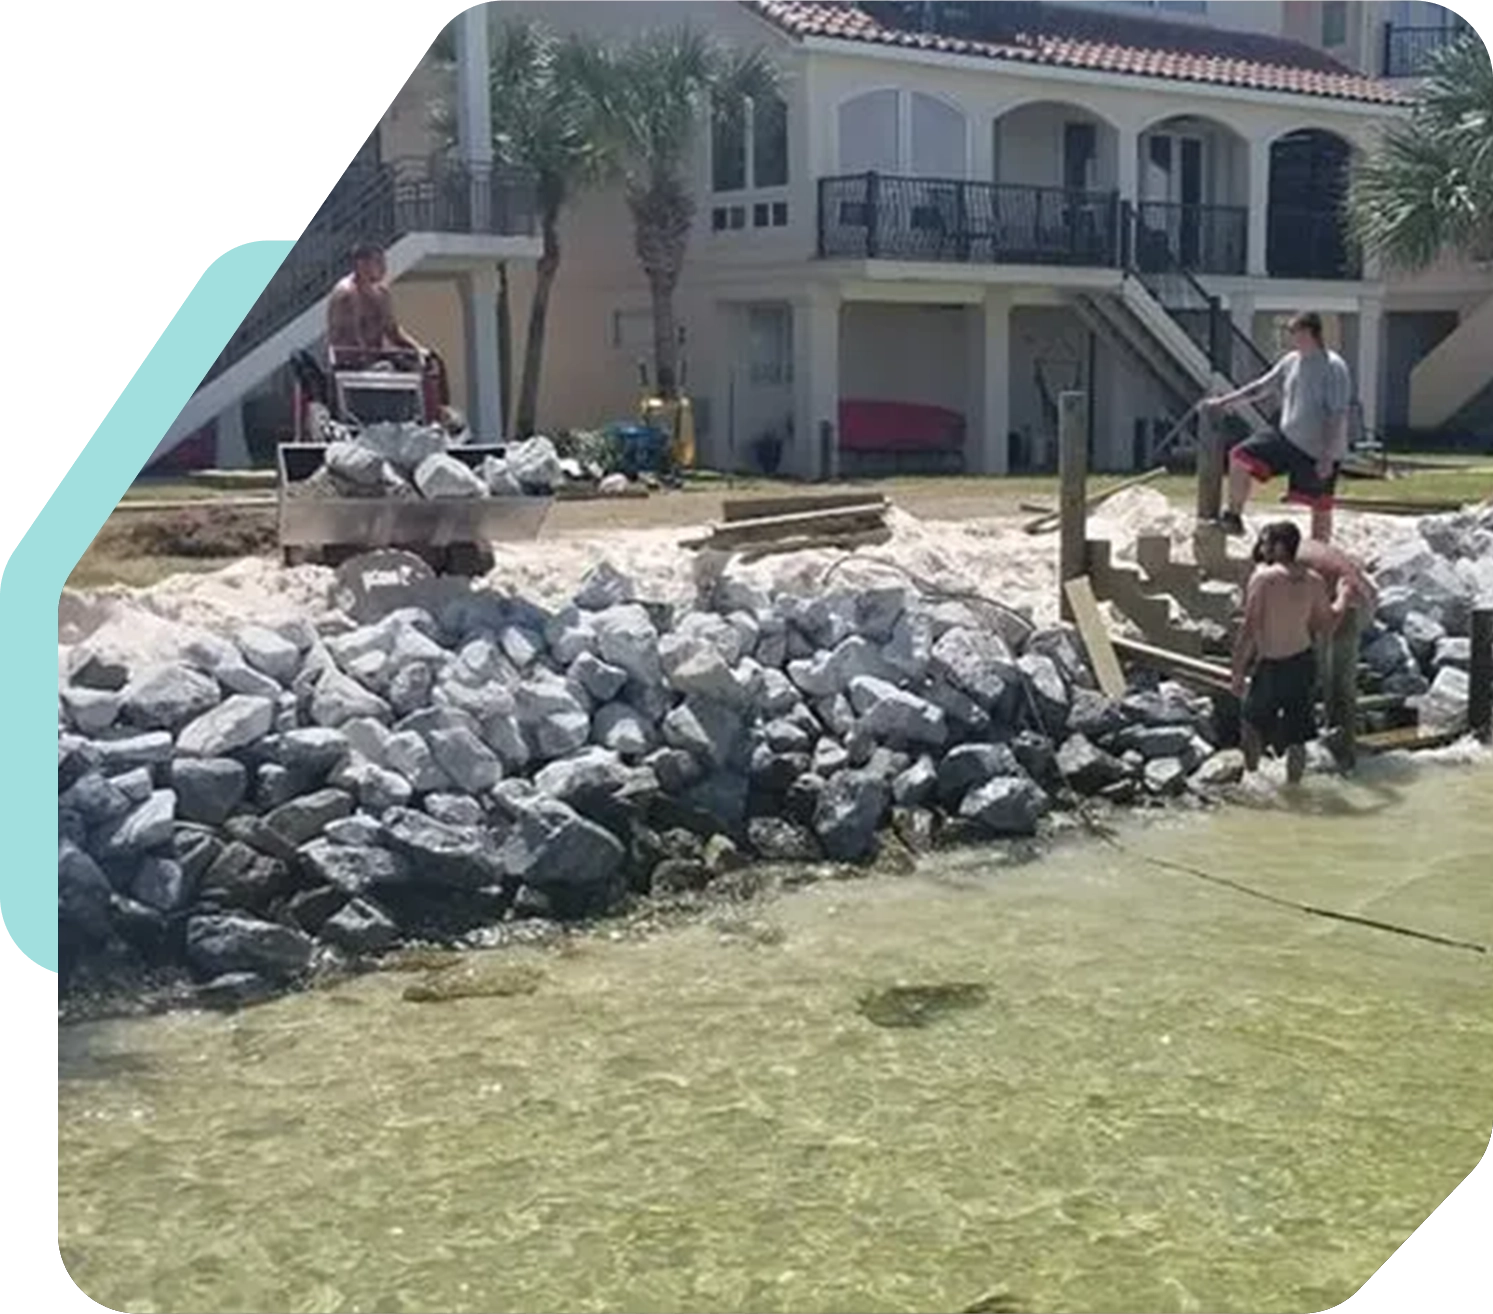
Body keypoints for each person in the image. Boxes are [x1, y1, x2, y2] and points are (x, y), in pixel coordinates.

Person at [1201, 311, 1353, 544]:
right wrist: (1225, 402)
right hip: (1287, 437)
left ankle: (1320, 553)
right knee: (1240, 456)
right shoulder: (1291, 361)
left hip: (1318, 448)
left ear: (1310, 333)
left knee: (1320, 505)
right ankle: (1234, 516)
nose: (1291, 338)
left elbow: (1337, 414)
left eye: (1294, 332)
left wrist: (1326, 456)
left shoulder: (1333, 366)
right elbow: (1260, 388)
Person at [1232, 520, 1353, 785]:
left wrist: (1238, 672)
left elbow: (1249, 629)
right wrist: (1342, 596)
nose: (1262, 548)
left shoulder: (1263, 579)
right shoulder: (1314, 581)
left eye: (1266, 542)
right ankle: (1294, 788)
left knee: (1251, 724)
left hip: (1271, 664)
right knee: (1297, 735)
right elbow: (1328, 623)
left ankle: (1251, 780)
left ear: (1279, 546)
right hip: (1302, 663)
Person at [1251, 531, 1377, 772]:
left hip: (1343, 605)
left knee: (1309, 679)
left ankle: (1309, 755)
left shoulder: (1284, 565)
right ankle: (1344, 757)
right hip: (1361, 600)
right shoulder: (1303, 549)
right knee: (1340, 686)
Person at [325, 243, 451, 410]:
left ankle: (438, 412)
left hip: (377, 358)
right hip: (352, 363)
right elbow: (351, 340)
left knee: (433, 363)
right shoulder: (347, 294)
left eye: (384, 262)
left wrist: (418, 350)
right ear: (361, 264)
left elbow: (392, 331)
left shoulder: (381, 293)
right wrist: (381, 360)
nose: (384, 268)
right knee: (392, 369)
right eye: (378, 262)